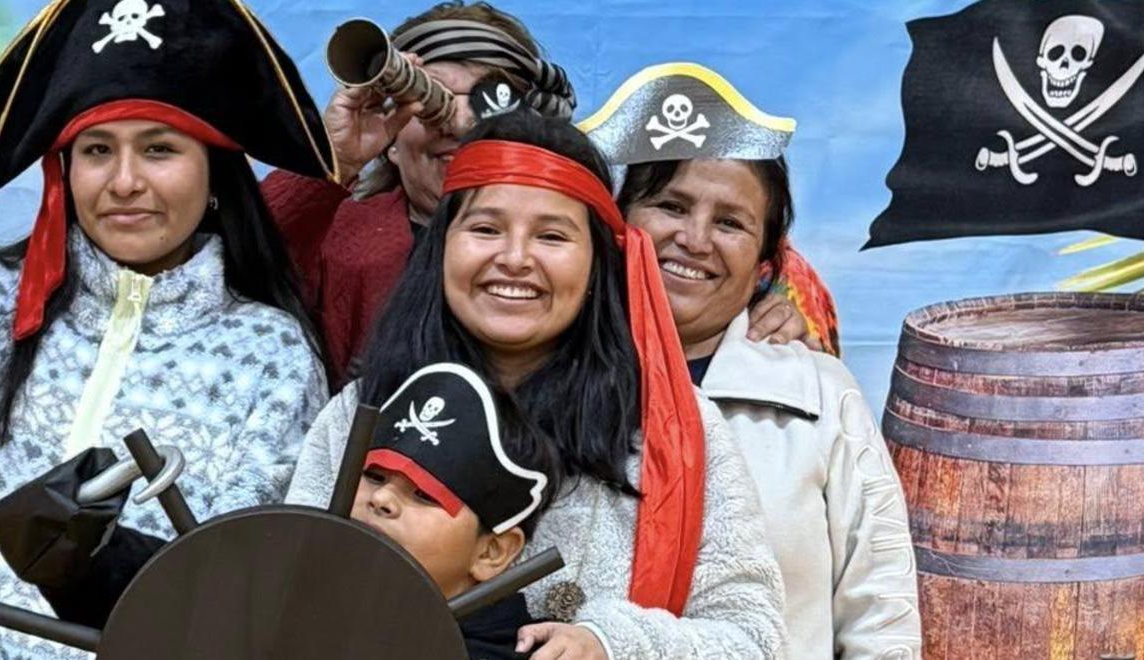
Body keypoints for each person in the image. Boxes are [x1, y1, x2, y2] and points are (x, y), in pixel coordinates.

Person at [0, 0, 334, 656]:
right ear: (63, 171)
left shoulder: (270, 357)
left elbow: (235, 585)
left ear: (214, 170)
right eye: (98, 150)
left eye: (159, 149)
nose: (125, 182)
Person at [284, 108, 786, 660]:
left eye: (551, 236)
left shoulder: (671, 427)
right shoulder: (365, 409)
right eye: (485, 228)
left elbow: (753, 637)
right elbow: (283, 595)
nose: (515, 259)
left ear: (597, 263)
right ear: (441, 246)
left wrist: (612, 643)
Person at [261, 2, 828, 385]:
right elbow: (238, 264)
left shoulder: (588, 240)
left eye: (487, 100)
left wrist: (761, 316)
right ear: (390, 136)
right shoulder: (338, 236)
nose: (456, 123)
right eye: (428, 100)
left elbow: (708, 271)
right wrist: (336, 160)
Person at [585, 63, 920, 658]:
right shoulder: (550, 379)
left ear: (765, 263)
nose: (695, 239)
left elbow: (881, 615)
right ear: (620, 222)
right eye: (670, 205)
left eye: (730, 223)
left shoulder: (819, 394)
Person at [0, 361, 560, 659]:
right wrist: (72, 545)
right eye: (375, 476)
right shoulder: (289, 580)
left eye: (424, 495)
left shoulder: (512, 654)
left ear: (493, 552)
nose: (382, 499)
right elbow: (175, 592)